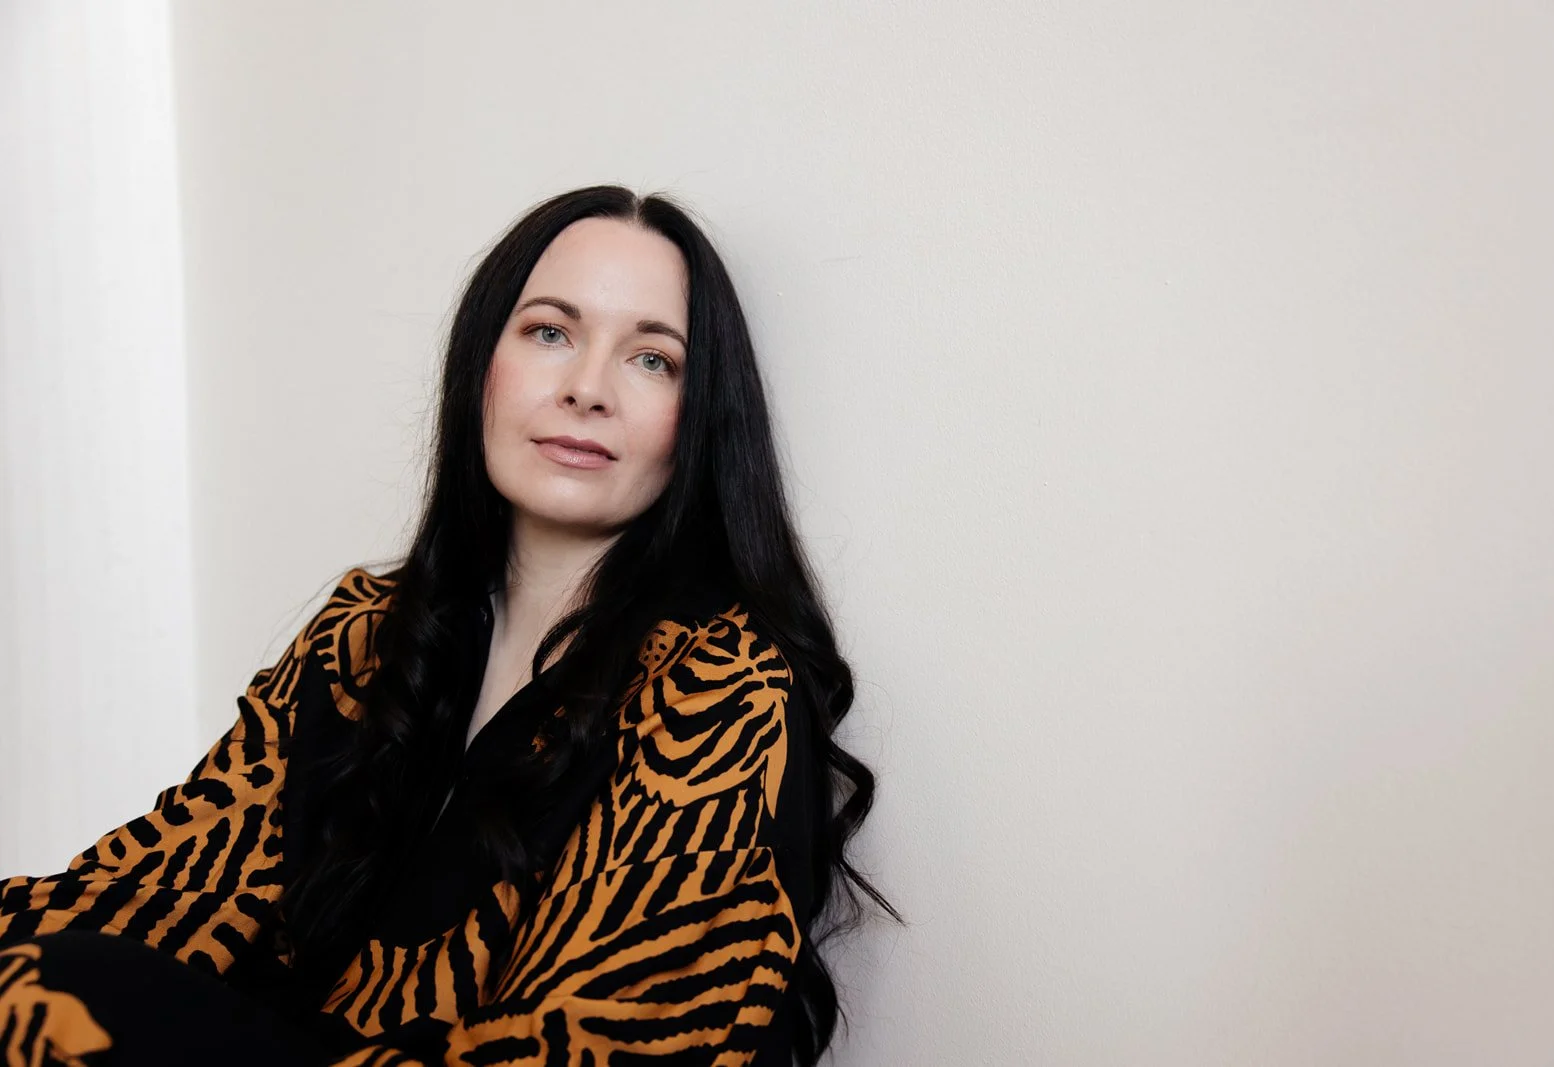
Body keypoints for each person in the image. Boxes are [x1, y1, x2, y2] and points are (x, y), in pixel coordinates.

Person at [0, 185, 896, 1066]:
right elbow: (157, 890)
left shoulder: (720, 687)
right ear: (482, 365)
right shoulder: (364, 636)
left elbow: (616, 1035)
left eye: (652, 358)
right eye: (551, 332)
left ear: (698, 419)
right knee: (50, 975)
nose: (587, 388)